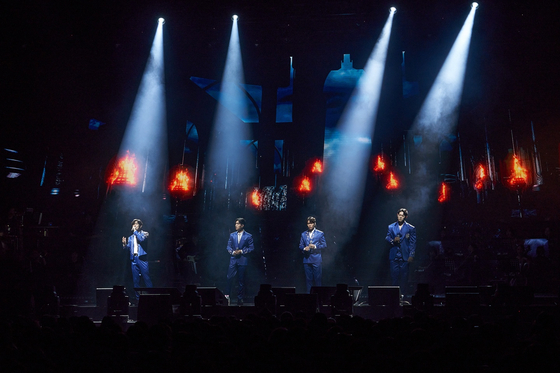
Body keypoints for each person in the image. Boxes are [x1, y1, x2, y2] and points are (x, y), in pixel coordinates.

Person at [385, 208, 416, 296]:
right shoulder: (391, 227)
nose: (400, 217)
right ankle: (394, 296)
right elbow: (387, 237)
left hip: (405, 256)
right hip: (394, 255)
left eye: (402, 215)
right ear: (397, 215)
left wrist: (411, 255)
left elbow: (413, 242)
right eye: (399, 215)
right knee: (394, 277)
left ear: (405, 217)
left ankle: (403, 296)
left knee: (404, 278)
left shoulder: (411, 228)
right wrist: (392, 240)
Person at [122, 219, 152, 302]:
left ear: (140, 226)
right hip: (133, 259)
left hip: (142, 258)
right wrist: (124, 244)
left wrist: (135, 231)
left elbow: (141, 239)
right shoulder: (131, 237)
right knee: (136, 280)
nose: (135, 225)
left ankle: (152, 295)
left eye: (136, 224)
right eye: (133, 224)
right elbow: (128, 248)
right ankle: (138, 299)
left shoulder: (144, 233)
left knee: (146, 278)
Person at [225, 218, 254, 306]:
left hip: (242, 259)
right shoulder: (232, 235)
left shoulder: (248, 236)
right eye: (235, 223)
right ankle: (227, 296)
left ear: (242, 225)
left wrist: (241, 251)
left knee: (241, 280)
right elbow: (228, 246)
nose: (236, 225)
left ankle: (240, 298)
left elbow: (251, 248)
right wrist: (233, 252)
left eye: (238, 224)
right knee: (229, 277)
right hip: (233, 259)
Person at [299, 216, 327, 293]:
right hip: (307, 259)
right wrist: (304, 248)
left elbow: (324, 245)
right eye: (308, 223)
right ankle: (309, 299)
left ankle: (319, 298)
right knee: (308, 280)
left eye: (311, 223)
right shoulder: (303, 234)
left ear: (314, 224)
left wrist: (315, 246)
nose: (310, 225)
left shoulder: (320, 233)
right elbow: (300, 246)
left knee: (317, 280)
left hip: (316, 259)